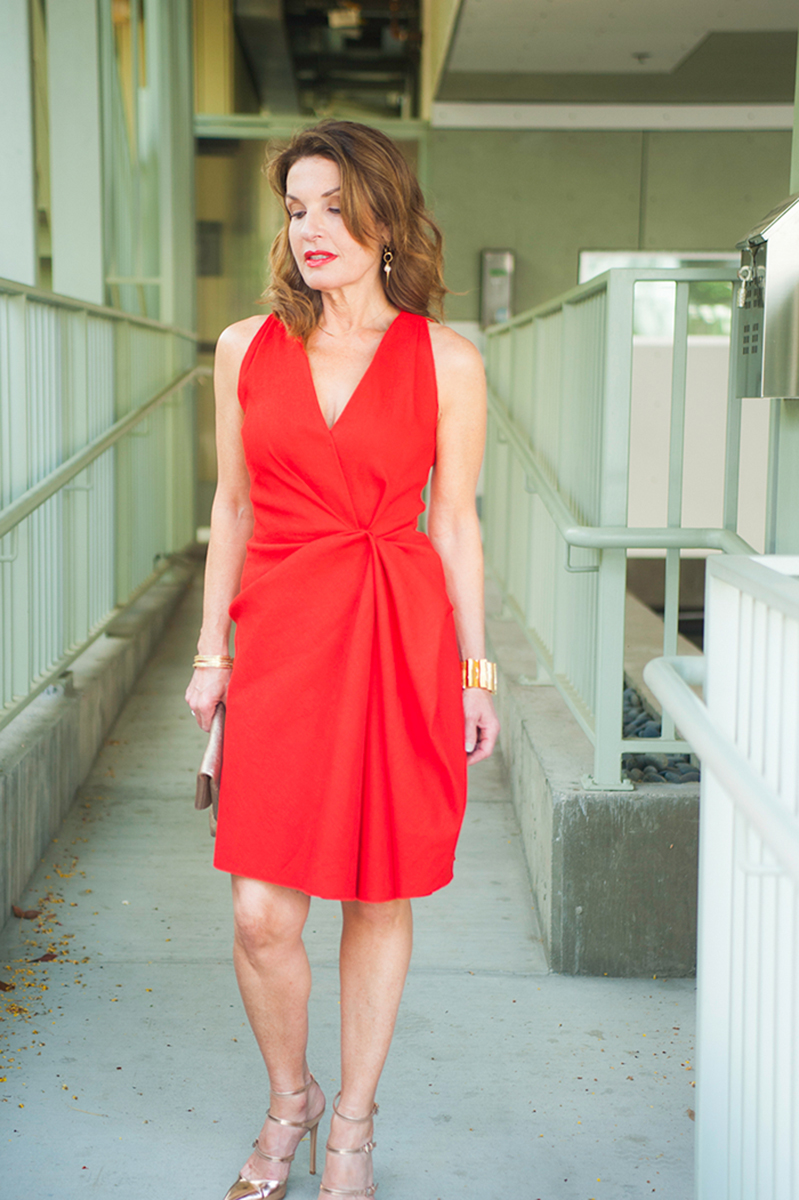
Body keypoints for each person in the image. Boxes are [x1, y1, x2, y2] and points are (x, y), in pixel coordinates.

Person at [185, 119, 499, 1200]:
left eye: (332, 206)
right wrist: (208, 655)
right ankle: (292, 1101)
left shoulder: (447, 360)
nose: (309, 228)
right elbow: (230, 506)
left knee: (378, 892)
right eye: (294, 208)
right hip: (277, 642)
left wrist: (477, 670)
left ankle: (351, 1128)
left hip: (396, 639)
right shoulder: (245, 347)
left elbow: (454, 523)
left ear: (384, 218)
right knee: (262, 911)